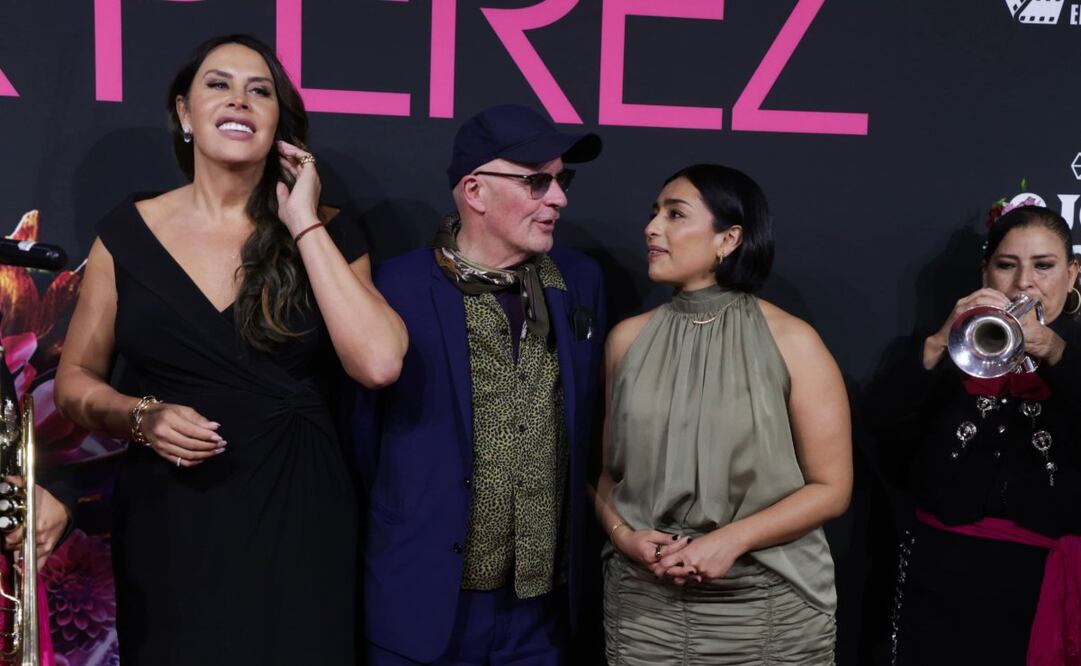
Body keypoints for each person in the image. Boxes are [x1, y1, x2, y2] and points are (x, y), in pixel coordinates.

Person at [53, 34, 407, 665]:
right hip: (171, 518)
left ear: (279, 124)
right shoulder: (126, 233)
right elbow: (76, 378)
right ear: (185, 114)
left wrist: (302, 221)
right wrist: (141, 416)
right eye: (218, 83)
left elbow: (378, 363)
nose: (239, 99)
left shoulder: (323, 226)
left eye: (260, 90)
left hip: (299, 512)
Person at [352, 103, 606, 664]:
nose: (559, 198)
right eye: (537, 181)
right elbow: (360, 440)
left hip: (541, 616)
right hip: (423, 603)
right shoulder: (395, 286)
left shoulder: (580, 282)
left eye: (562, 181)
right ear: (475, 191)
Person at [594, 164, 851, 664]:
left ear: (729, 238)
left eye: (675, 215)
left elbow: (831, 488)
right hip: (647, 613)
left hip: (767, 610)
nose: (652, 228)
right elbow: (605, 475)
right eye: (654, 214)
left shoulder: (793, 341)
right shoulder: (625, 341)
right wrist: (624, 538)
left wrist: (730, 540)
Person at [875, 204, 1081, 665]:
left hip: (1043, 582)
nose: (1024, 282)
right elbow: (879, 424)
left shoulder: (1075, 351)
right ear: (986, 272)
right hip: (941, 576)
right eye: (1007, 265)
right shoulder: (950, 345)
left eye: (1043, 266)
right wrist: (936, 344)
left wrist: (1059, 354)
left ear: (1071, 275)